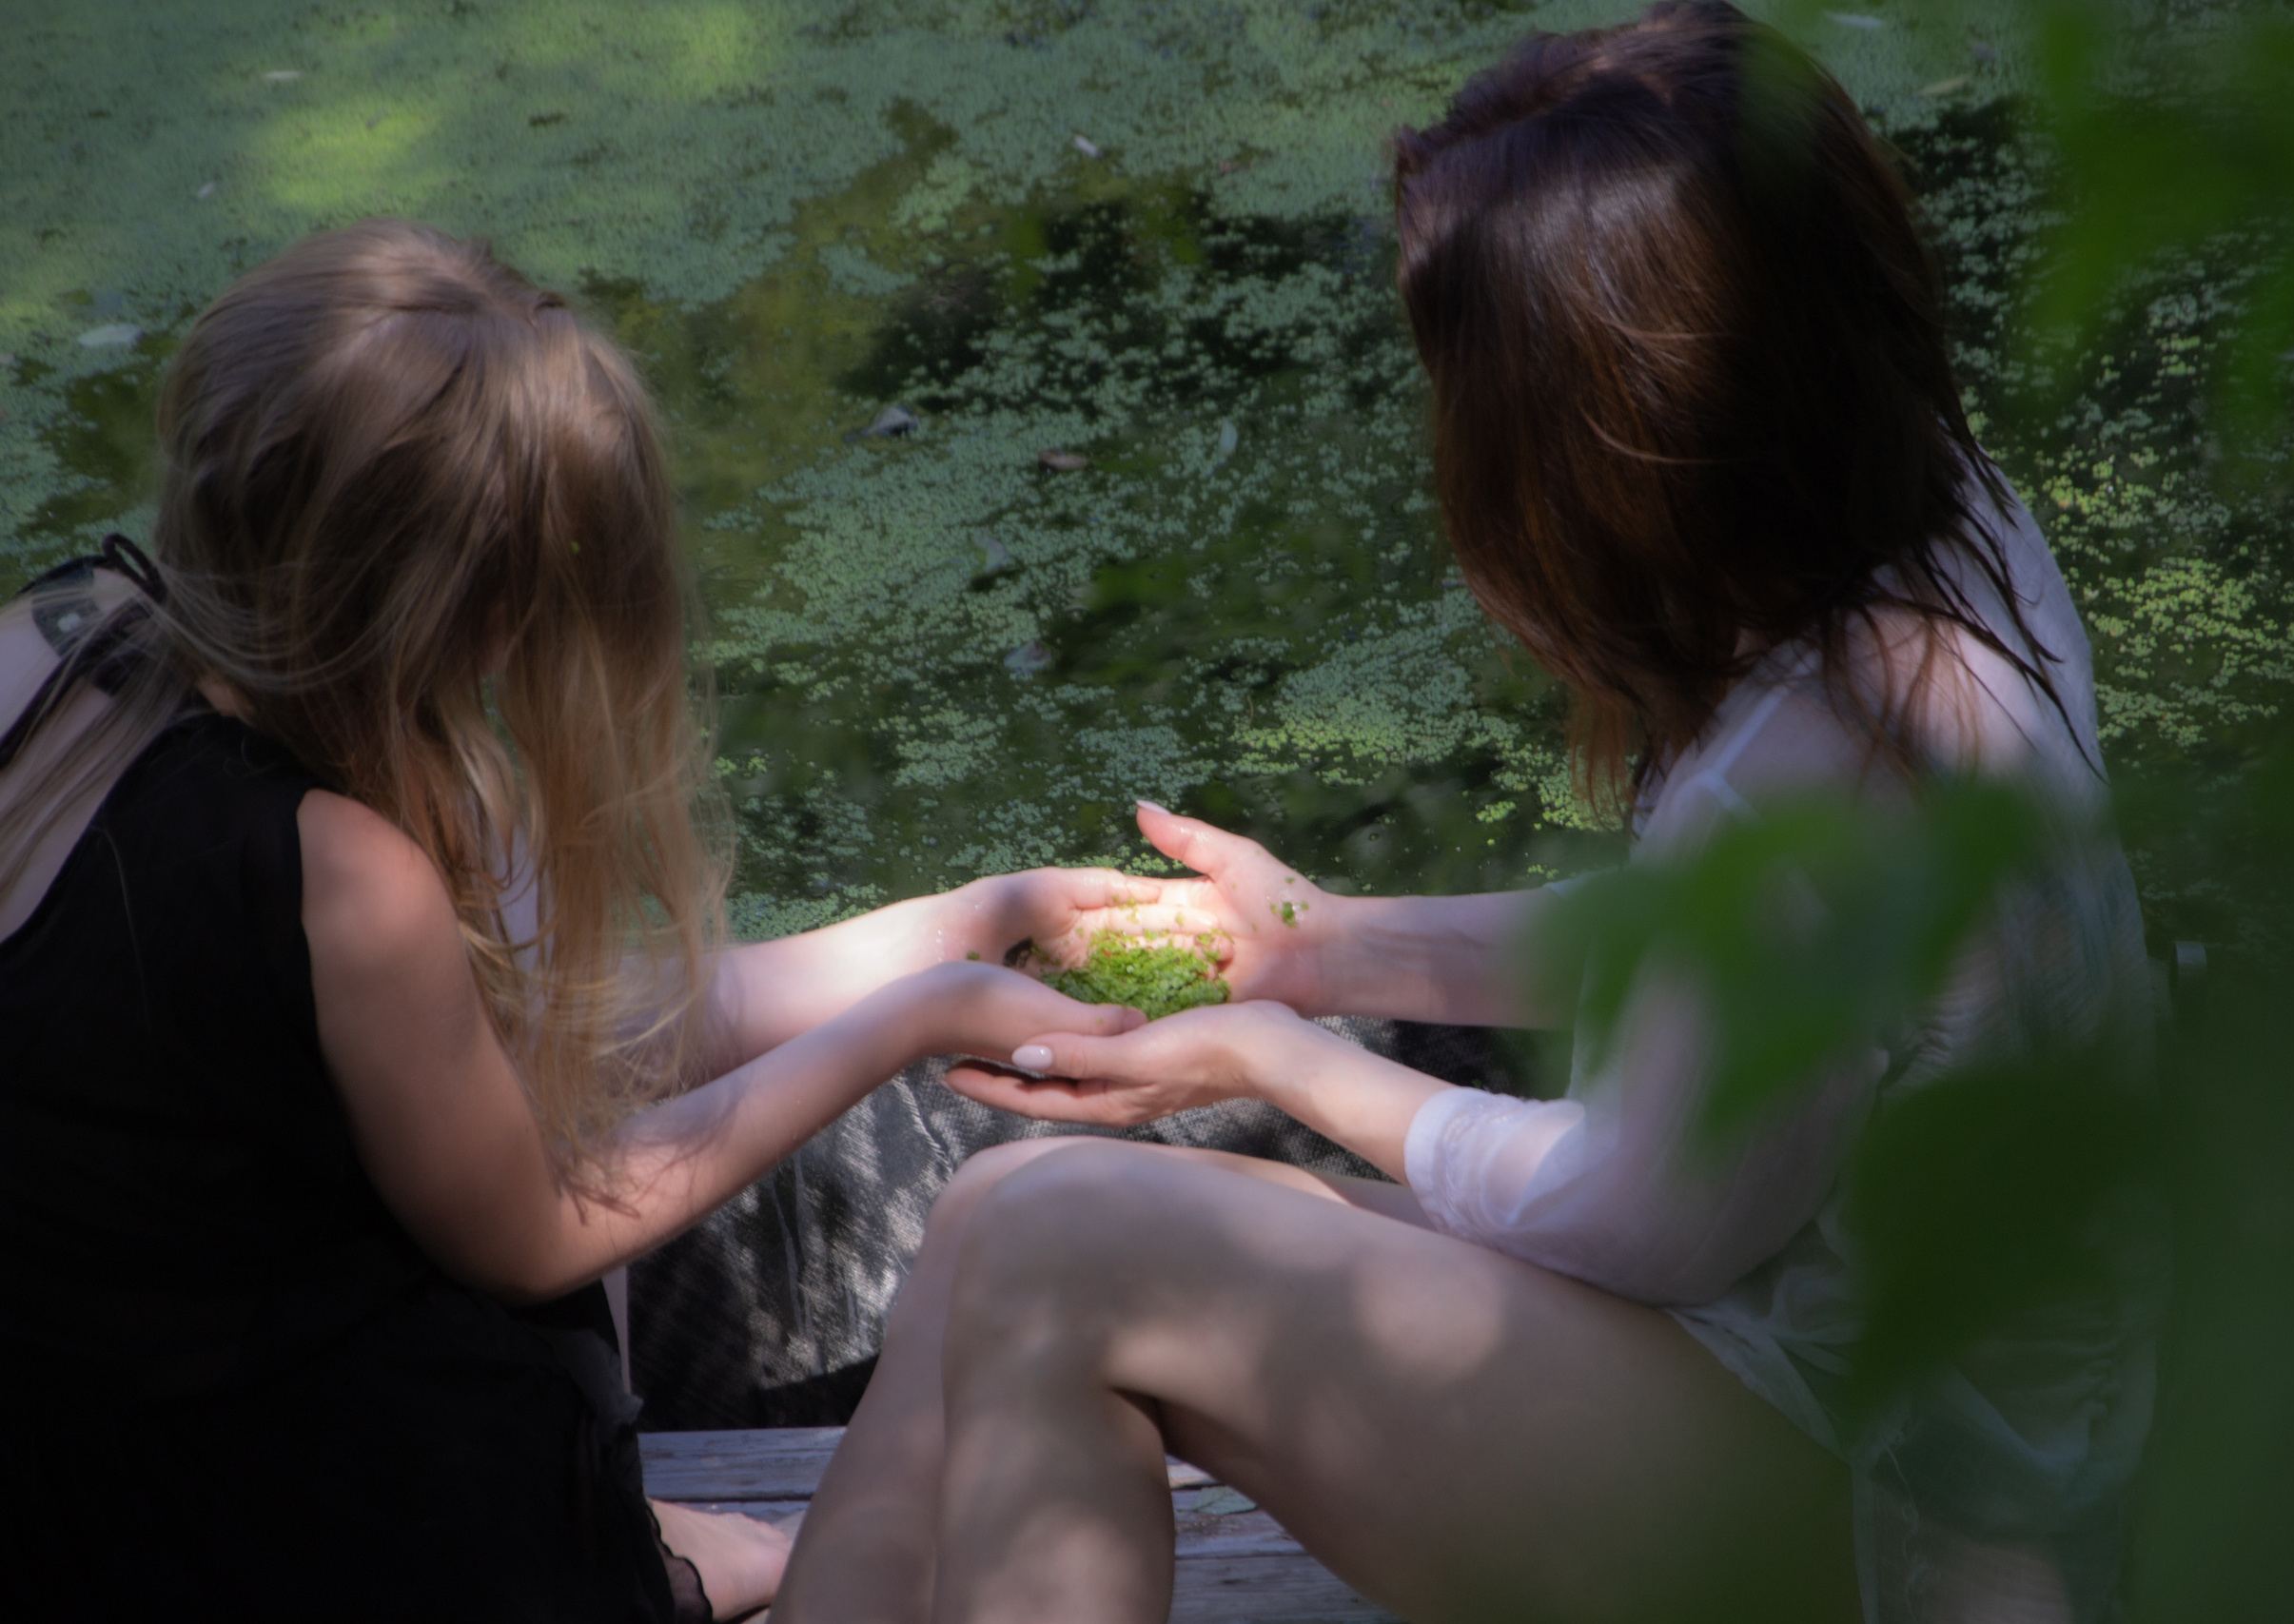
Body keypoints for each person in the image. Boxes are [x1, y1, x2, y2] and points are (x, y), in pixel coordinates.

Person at [773, 6, 2153, 1623]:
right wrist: (1320, 948)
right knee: (1000, 1209)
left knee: (1068, 1246)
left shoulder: (1836, 758)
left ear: (1602, 437)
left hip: (1887, 1526)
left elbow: (1648, 1220)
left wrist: (1286, 1062)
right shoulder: (1932, 515)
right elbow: (1720, 951)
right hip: (1793, 1392)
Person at [0, 221, 1167, 1622]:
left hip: (76, 1465)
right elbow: (546, 1225)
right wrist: (915, 1022)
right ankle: (619, 1554)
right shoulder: (343, 876)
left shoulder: (52, 647)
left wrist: (950, 927)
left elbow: (538, 1046)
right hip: (296, 1539)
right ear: (453, 611)